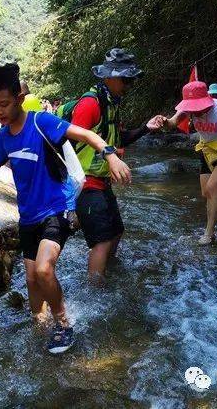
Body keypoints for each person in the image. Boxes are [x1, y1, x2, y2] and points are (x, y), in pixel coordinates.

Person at [0, 62, 132, 354]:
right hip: (28, 216)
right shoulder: (4, 136)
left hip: (57, 210)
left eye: (3, 104)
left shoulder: (42, 122)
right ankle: (38, 323)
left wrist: (110, 156)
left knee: (43, 270)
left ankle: (64, 323)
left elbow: (87, 135)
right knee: (31, 280)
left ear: (18, 97)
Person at [65, 48, 165, 281]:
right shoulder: (90, 104)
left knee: (116, 232)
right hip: (86, 183)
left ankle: (108, 273)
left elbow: (119, 139)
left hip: (102, 182)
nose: (129, 85)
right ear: (109, 77)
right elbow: (67, 141)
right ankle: (96, 294)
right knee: (101, 241)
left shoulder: (111, 103)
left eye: (131, 80)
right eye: (126, 80)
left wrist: (144, 128)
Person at [164, 81, 217, 245]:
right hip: (207, 149)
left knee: (212, 187)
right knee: (206, 193)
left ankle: (209, 234)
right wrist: (163, 121)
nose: (195, 111)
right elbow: (171, 123)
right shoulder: (188, 109)